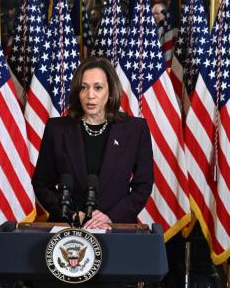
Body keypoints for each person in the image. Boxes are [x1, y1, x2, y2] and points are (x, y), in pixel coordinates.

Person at [32, 57, 154, 230]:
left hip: (116, 228)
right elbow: (42, 184)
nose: (90, 95)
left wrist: (111, 217)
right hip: (69, 229)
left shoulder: (135, 129)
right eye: (84, 88)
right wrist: (71, 214)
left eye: (98, 87)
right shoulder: (56, 129)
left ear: (110, 91)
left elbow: (143, 185)